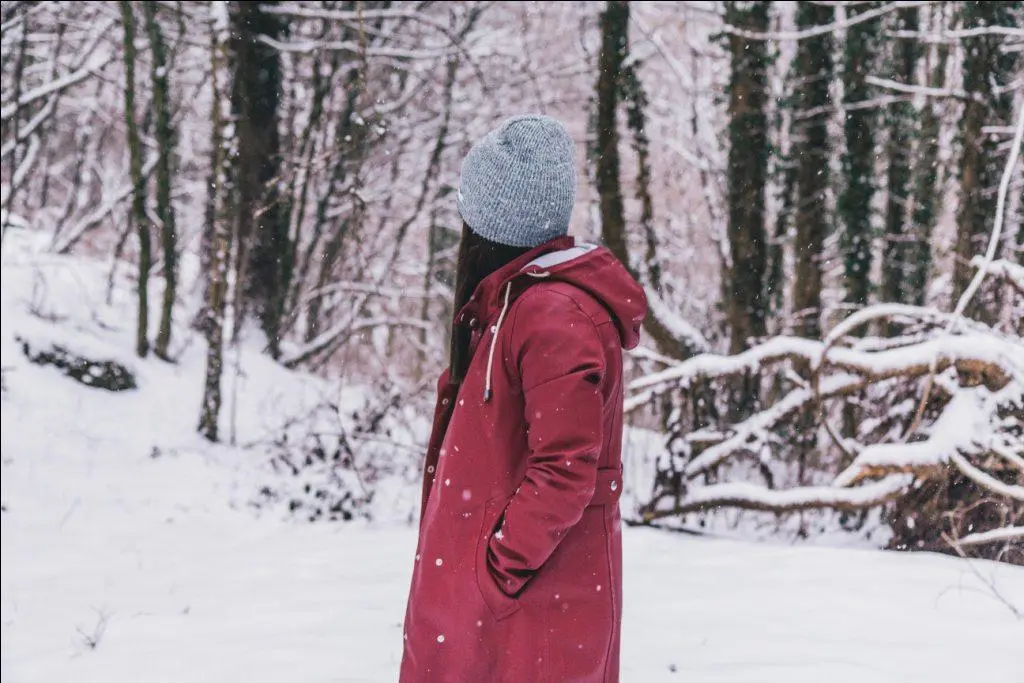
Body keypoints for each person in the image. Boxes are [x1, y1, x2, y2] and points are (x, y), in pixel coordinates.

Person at [399, 114, 647, 683]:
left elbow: (564, 469)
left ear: (488, 223)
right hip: (504, 607)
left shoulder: (552, 315)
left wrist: (496, 570)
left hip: (530, 606)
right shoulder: (514, 306)